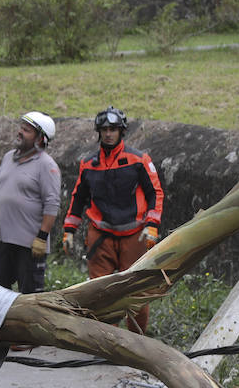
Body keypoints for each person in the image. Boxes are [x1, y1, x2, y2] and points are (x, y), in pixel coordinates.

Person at [61, 106, 166, 335]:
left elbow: (155, 193)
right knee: (100, 293)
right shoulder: (89, 164)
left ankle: (136, 341)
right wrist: (69, 230)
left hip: (134, 235)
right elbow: (78, 198)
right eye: (104, 129)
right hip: (101, 236)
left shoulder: (139, 159)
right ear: (99, 132)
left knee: (136, 293)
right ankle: (106, 341)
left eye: (113, 129)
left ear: (122, 131)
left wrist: (152, 225)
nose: (108, 133)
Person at [0, 111, 62, 294]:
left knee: (30, 298)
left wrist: (42, 237)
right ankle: (2, 324)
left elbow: (52, 203)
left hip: (30, 246)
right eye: (21, 128)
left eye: (27, 130)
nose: (20, 132)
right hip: (3, 240)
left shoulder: (47, 165)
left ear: (40, 139)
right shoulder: (8, 157)